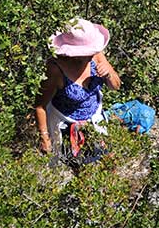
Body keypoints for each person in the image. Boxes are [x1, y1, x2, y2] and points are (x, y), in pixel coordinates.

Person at [35, 17, 122, 157]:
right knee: (81, 167)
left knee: (108, 161)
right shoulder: (56, 69)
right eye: (84, 54)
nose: (90, 56)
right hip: (67, 125)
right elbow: (40, 106)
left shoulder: (96, 55)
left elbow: (116, 86)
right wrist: (44, 137)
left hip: (95, 118)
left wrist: (109, 74)